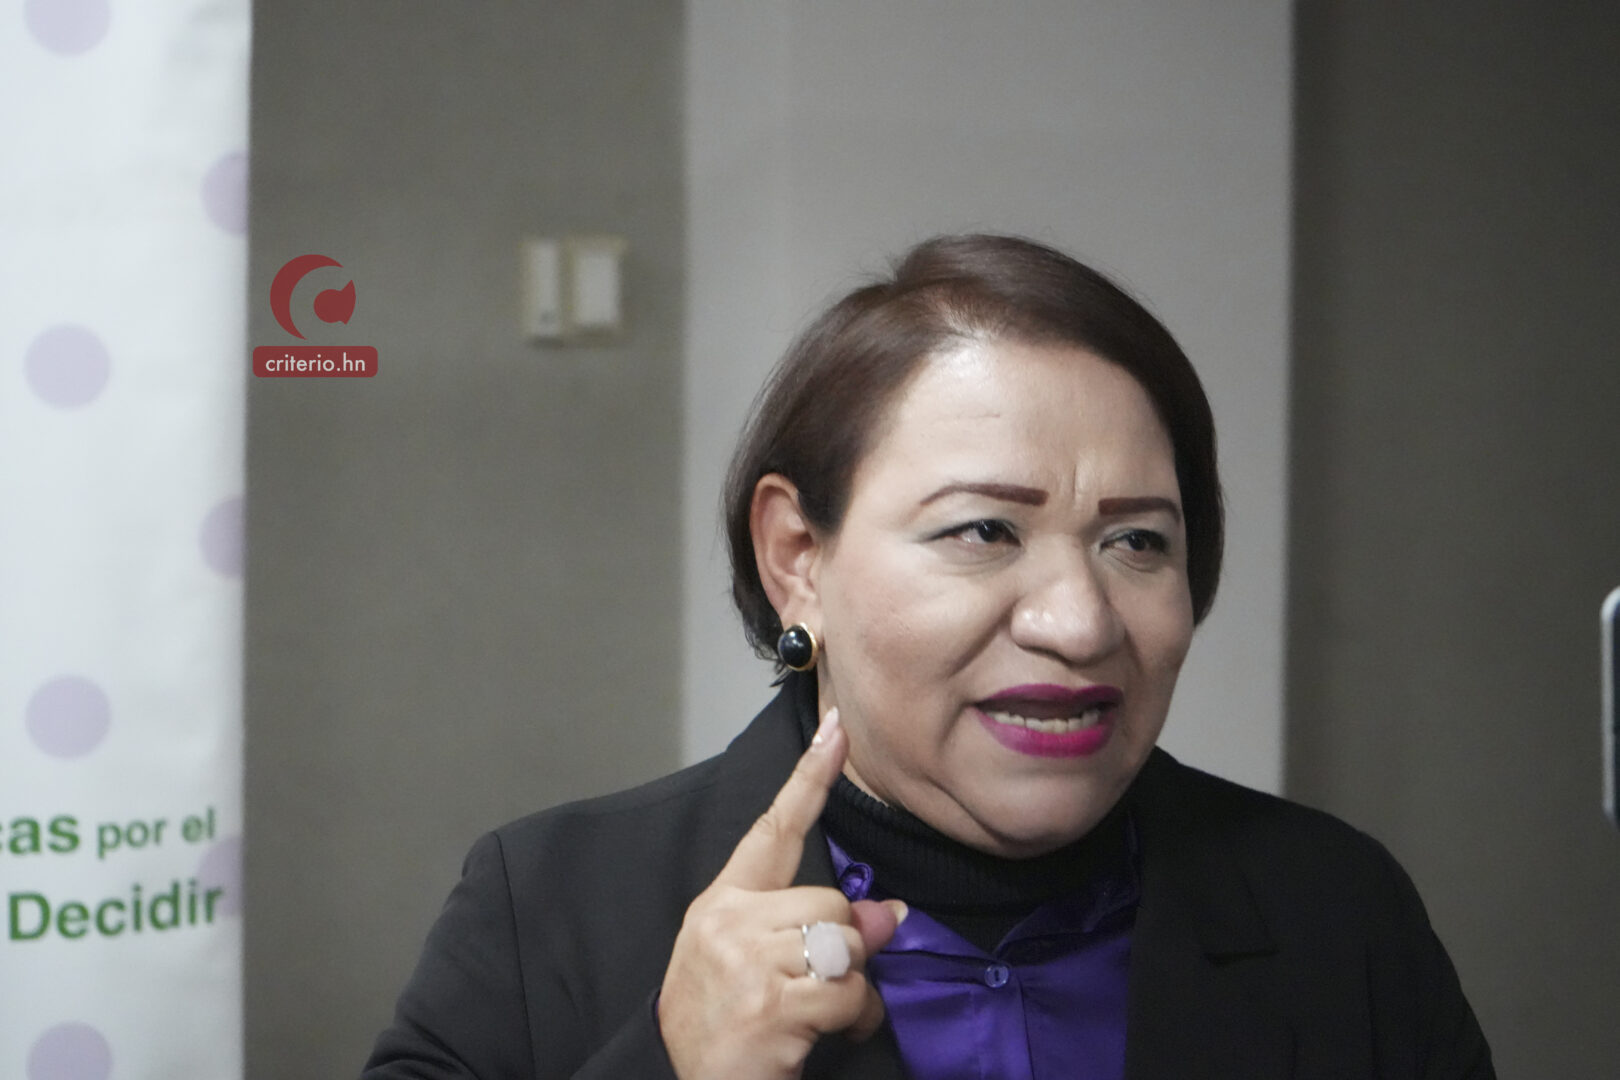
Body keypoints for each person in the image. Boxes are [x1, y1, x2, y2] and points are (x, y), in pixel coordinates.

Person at [363, 234, 1495, 1079]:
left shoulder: (1335, 915)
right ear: (797, 556)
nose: (1080, 623)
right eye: (983, 531)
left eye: (1137, 541)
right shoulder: (549, 909)